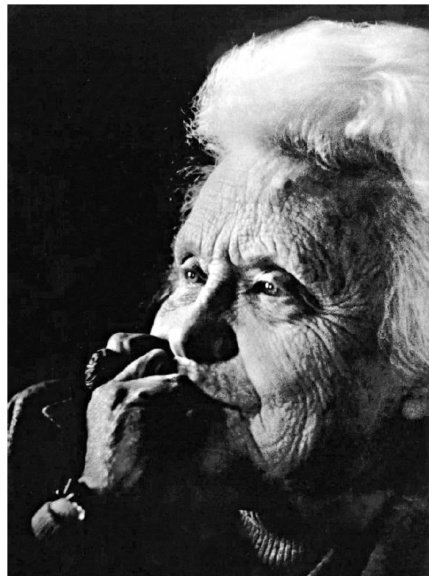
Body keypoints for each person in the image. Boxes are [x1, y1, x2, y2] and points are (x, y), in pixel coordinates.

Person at [8, 19, 429, 576]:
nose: (187, 333)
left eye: (270, 288)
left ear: (417, 372)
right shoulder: (31, 450)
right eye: (193, 273)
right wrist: (92, 508)